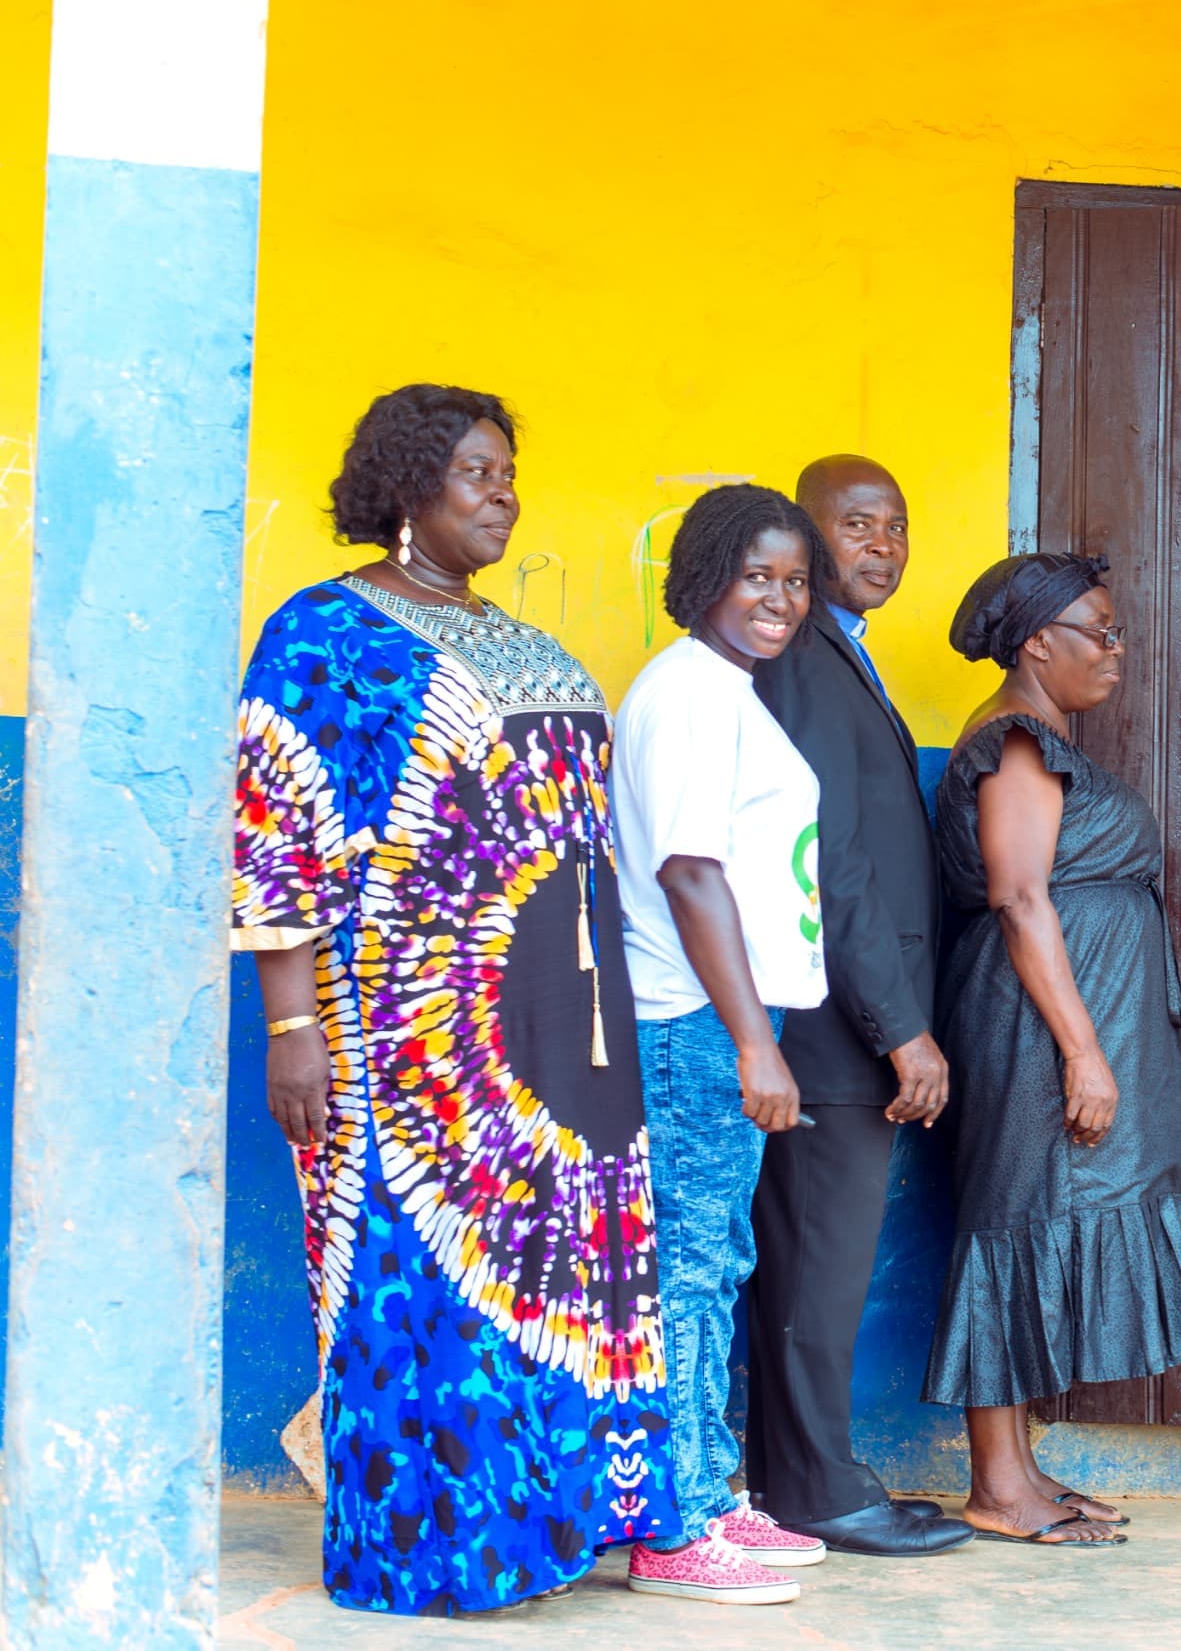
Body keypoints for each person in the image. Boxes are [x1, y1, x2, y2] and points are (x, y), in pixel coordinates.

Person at [233, 384, 674, 1615]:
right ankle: (426, 1550)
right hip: (403, 1054)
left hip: (559, 1044)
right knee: (416, 1288)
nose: (502, 493)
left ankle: (543, 1529)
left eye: (507, 472)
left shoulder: (523, 640)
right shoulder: (326, 633)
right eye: (476, 471)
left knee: (554, 1290)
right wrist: (290, 1027)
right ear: (407, 488)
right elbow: (278, 830)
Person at [928, 553, 1181, 1546]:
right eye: (1099, 630)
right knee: (1015, 1217)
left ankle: (1018, 1471)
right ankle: (998, 1487)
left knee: (1034, 1212)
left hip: (1047, 1018)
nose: (1116, 649)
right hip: (1030, 1023)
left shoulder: (1039, 736)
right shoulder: (1015, 741)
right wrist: (1082, 1050)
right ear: (1036, 643)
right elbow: (1019, 895)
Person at [740, 457, 973, 1558]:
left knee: (810, 1258)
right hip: (832, 1025)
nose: (883, 545)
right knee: (815, 1263)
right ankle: (814, 1489)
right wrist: (900, 1025)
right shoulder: (803, 662)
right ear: (807, 534)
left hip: (845, 1020)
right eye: (859, 525)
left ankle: (800, 1476)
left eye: (898, 525)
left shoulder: (844, 657)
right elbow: (830, 865)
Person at [611, 484, 837, 1604]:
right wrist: (756, 1042)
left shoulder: (724, 691)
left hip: (726, 1019)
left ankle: (705, 1488)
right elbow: (689, 871)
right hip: (696, 1020)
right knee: (689, 1271)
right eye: (757, 576)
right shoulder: (691, 695)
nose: (781, 600)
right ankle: (669, 1525)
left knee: (713, 1264)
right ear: (704, 574)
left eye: (796, 581)